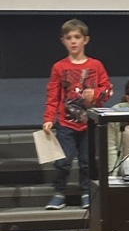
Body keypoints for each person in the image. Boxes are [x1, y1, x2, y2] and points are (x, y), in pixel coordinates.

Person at [42, 18, 112, 209]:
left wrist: (96, 93)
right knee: (64, 161)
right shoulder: (59, 67)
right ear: (63, 41)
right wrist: (48, 118)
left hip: (89, 122)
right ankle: (59, 192)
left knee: (86, 162)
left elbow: (107, 90)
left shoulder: (96, 65)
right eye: (69, 38)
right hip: (66, 123)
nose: (73, 41)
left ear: (85, 40)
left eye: (77, 37)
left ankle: (85, 192)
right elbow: (53, 95)